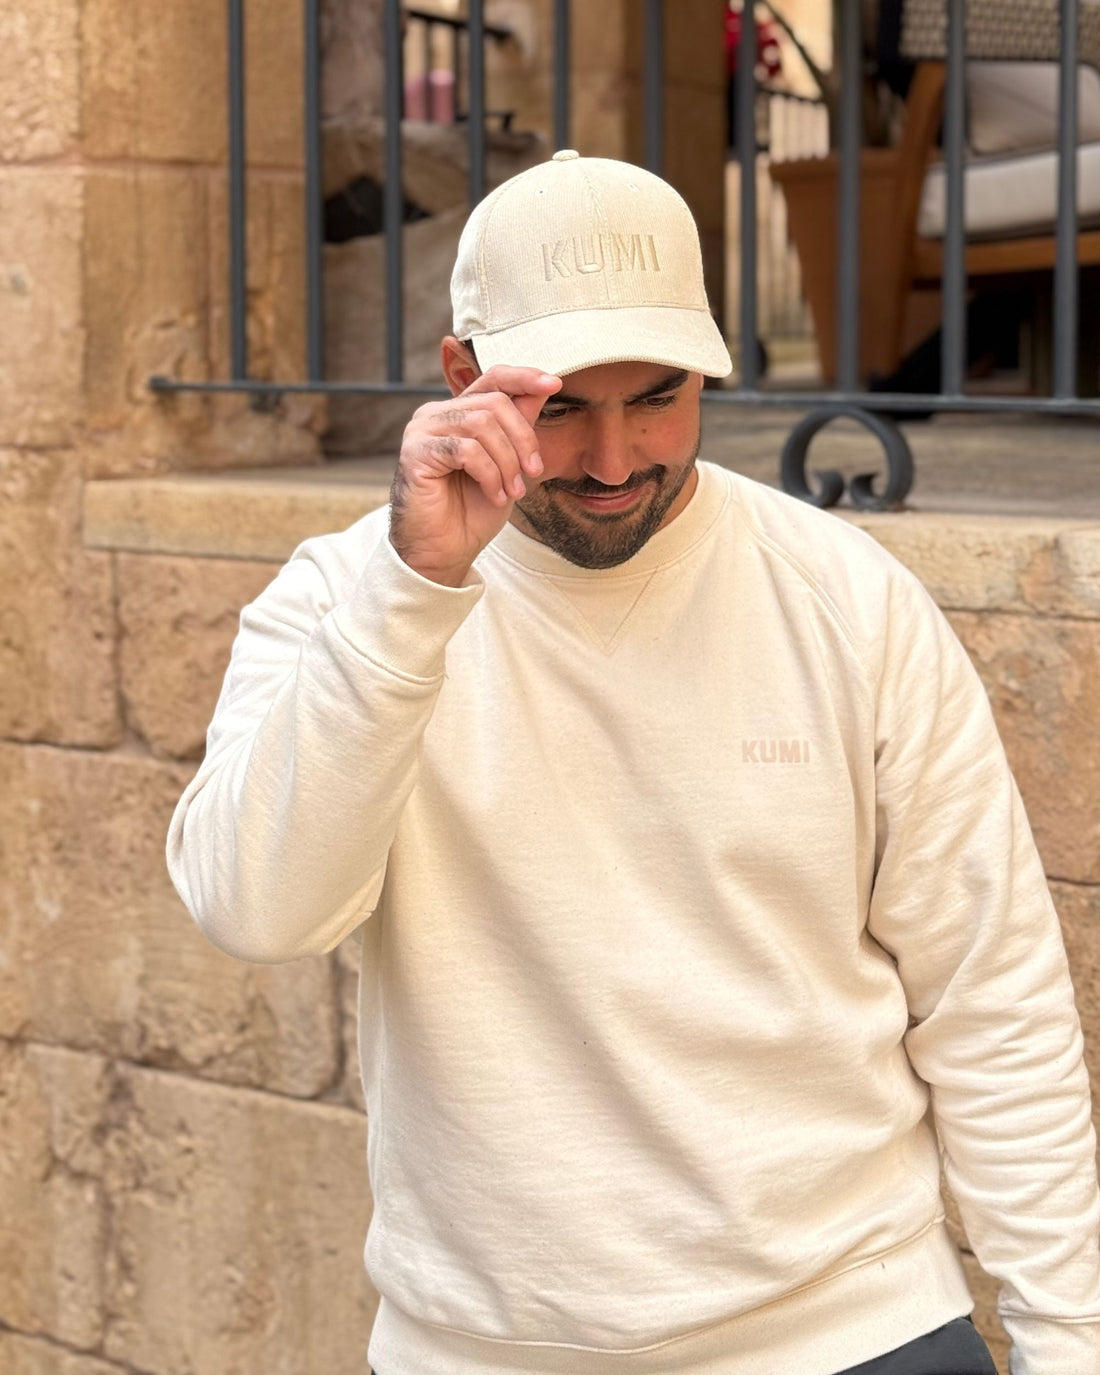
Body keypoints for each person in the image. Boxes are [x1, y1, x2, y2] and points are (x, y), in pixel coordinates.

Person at [166, 150, 1100, 1375]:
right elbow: (255, 909)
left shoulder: (846, 599)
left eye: (654, 398)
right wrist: (411, 599)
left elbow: (991, 1000)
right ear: (460, 379)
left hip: (856, 1331)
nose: (612, 459)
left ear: (709, 368)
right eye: (558, 406)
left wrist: (1066, 1343)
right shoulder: (349, 598)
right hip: (487, 1352)